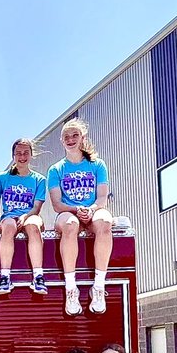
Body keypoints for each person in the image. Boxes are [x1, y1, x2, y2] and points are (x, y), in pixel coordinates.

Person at [47, 119, 113, 316]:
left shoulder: (97, 165)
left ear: (83, 138)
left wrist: (91, 210)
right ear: (61, 141)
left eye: (75, 135)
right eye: (66, 136)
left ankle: (98, 287)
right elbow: (57, 204)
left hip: (92, 211)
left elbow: (102, 197)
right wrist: (77, 209)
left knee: (105, 221)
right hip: (68, 213)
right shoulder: (56, 169)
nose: (70, 139)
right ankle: (71, 289)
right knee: (69, 224)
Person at [0, 139, 49, 295]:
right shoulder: (2, 178)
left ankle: (38, 276)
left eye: (26, 153)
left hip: (30, 215)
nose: (22, 156)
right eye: (18, 153)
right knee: (9, 226)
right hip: (9, 217)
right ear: (13, 155)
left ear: (31, 155)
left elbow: (37, 207)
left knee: (33, 225)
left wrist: (25, 217)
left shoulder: (39, 179)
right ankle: (4, 277)